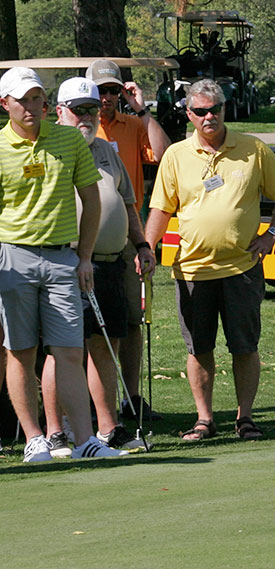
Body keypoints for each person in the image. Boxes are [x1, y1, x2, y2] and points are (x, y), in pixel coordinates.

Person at [145, 79, 275, 441]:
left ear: (225, 109)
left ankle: (245, 419)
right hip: (192, 270)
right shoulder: (176, 155)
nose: (209, 116)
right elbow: (160, 209)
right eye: (201, 111)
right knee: (199, 349)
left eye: (216, 109)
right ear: (189, 114)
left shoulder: (253, 149)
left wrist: (271, 236)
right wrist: (146, 249)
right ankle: (204, 420)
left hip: (242, 268)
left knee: (244, 346)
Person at [0, 67, 127, 461]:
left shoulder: (69, 139)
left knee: (69, 351)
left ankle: (87, 440)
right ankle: (35, 438)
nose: (31, 107)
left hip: (63, 259)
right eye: (23, 100)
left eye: (37, 98)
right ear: (5, 104)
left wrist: (85, 256)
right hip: (13, 255)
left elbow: (91, 199)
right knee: (21, 351)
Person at [41, 77, 156, 456]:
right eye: (78, 110)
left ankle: (108, 428)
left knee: (105, 345)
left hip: (108, 262)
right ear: (60, 112)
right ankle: (56, 432)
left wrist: (141, 244)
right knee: (63, 349)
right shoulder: (50, 147)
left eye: (91, 109)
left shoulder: (107, 151)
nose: (86, 117)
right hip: (65, 261)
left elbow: (126, 204)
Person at [86, 59, 171, 422]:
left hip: (126, 236)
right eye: (100, 91)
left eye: (112, 91)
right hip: (82, 243)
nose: (106, 98)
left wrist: (142, 108)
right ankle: (92, 404)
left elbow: (164, 154)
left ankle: (131, 398)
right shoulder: (79, 127)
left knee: (130, 322)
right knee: (89, 328)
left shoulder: (133, 124)